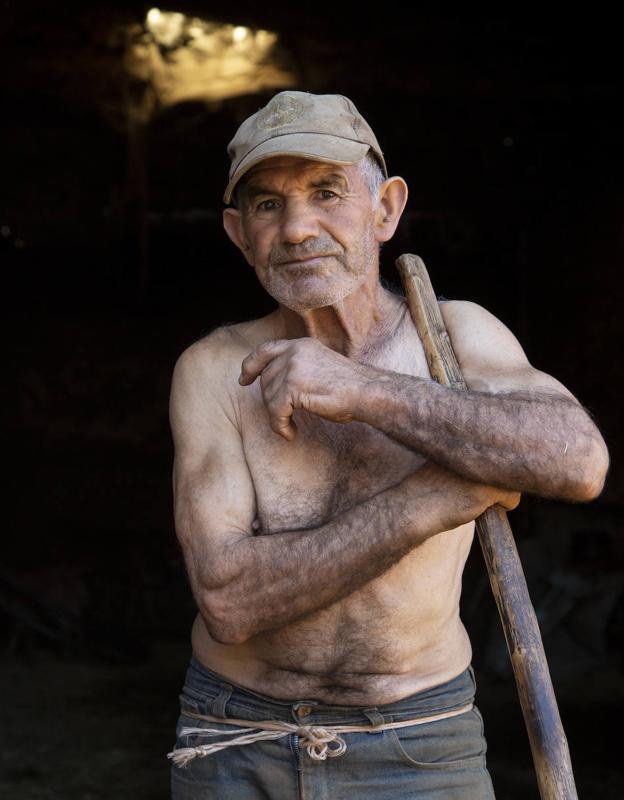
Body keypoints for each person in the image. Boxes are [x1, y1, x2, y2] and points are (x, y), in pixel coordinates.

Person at [167, 91, 609, 799]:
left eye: (325, 192)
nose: (297, 227)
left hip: (422, 741)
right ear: (237, 232)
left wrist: (364, 390)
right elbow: (230, 601)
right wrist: (434, 497)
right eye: (266, 205)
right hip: (236, 736)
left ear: (386, 210)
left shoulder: (456, 338)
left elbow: (579, 461)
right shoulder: (216, 370)